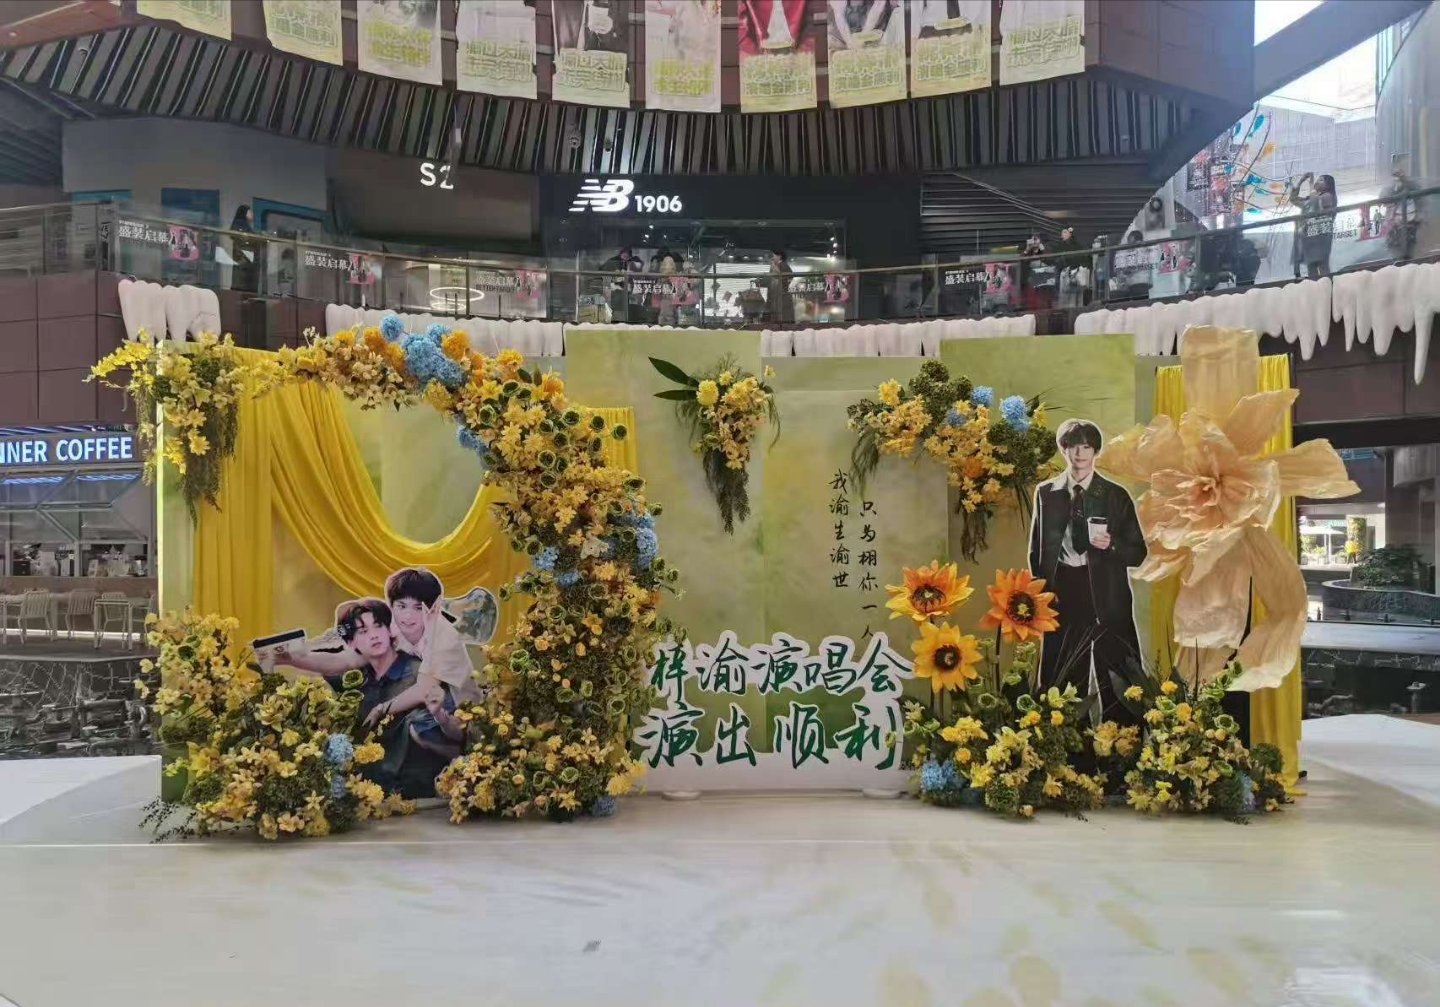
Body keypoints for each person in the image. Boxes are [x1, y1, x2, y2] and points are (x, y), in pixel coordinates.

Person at [1029, 419, 1146, 722]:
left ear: (1095, 451)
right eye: (1073, 446)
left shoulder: (1115, 495)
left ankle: (1122, 744)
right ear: (1063, 449)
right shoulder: (1046, 493)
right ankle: (1066, 744)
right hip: (1063, 589)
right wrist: (1041, 595)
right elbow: (1037, 551)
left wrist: (1112, 544)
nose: (1079, 454)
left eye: (1086, 446)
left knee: (1119, 672)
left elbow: (1138, 553)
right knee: (1062, 676)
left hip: (1107, 591)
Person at [1287, 172, 1338, 279]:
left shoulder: (1328, 197)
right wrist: (1300, 182)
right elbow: (1293, 199)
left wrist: (1311, 184)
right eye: (1317, 180)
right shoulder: (1311, 198)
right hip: (1308, 236)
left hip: (1321, 235)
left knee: (1323, 265)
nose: (1317, 182)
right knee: (1311, 266)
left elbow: (1314, 203)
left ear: (1328, 185)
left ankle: (1328, 286)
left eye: (1321, 180)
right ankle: (1316, 287)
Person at [229, 204, 262, 294]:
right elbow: (244, 239)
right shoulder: (239, 225)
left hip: (248, 262)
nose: (252, 214)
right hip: (244, 261)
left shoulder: (245, 226)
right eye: (250, 212)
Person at [767, 249, 794, 324]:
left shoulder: (783, 265)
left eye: (774, 255)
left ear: (779, 256)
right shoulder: (775, 265)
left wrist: (773, 264)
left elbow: (785, 276)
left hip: (781, 295)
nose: (772, 257)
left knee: (781, 315)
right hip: (774, 294)